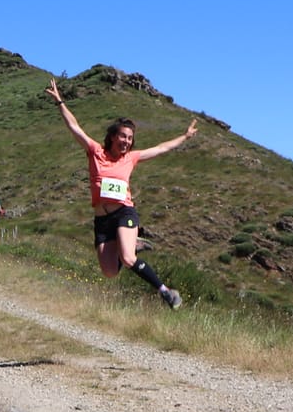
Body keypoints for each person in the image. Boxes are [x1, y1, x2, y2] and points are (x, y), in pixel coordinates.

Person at [45, 77, 198, 308]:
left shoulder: (131, 158)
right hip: (102, 220)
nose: (127, 141)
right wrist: (60, 102)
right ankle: (132, 243)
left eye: (130, 138)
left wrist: (184, 137)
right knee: (109, 272)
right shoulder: (96, 151)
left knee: (128, 259)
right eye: (123, 136)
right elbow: (75, 127)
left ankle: (166, 292)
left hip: (124, 212)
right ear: (113, 137)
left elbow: (160, 148)